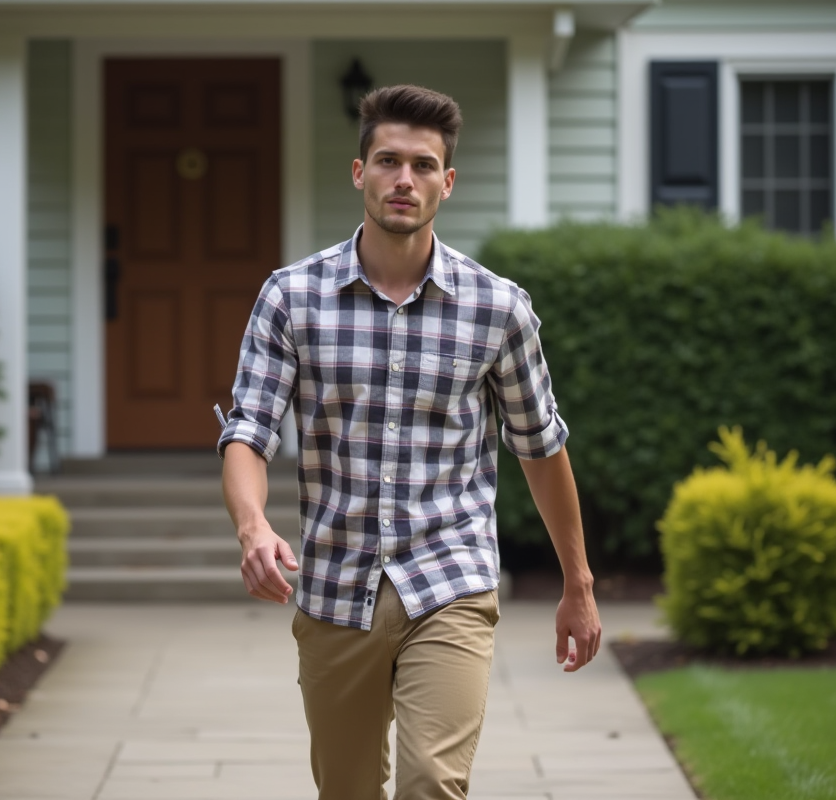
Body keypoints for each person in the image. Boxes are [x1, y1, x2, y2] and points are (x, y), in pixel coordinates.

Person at [219, 84, 601, 800]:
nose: (405, 179)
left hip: (451, 579)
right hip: (335, 590)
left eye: (423, 165)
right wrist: (253, 527)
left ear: (446, 182)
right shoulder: (291, 298)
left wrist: (577, 584)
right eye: (388, 161)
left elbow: (540, 446)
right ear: (358, 172)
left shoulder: (498, 309)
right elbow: (249, 430)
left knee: (432, 783)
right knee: (348, 790)